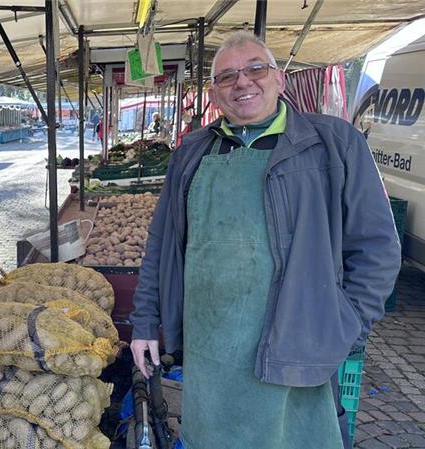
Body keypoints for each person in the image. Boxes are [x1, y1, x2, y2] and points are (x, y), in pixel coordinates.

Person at [129, 31, 400, 449]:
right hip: (209, 349)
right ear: (215, 93)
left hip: (298, 345)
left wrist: (345, 325)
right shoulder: (193, 153)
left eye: (256, 68)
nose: (243, 82)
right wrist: (145, 322)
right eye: (228, 76)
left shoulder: (333, 145)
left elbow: (377, 249)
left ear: (280, 80)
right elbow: (161, 244)